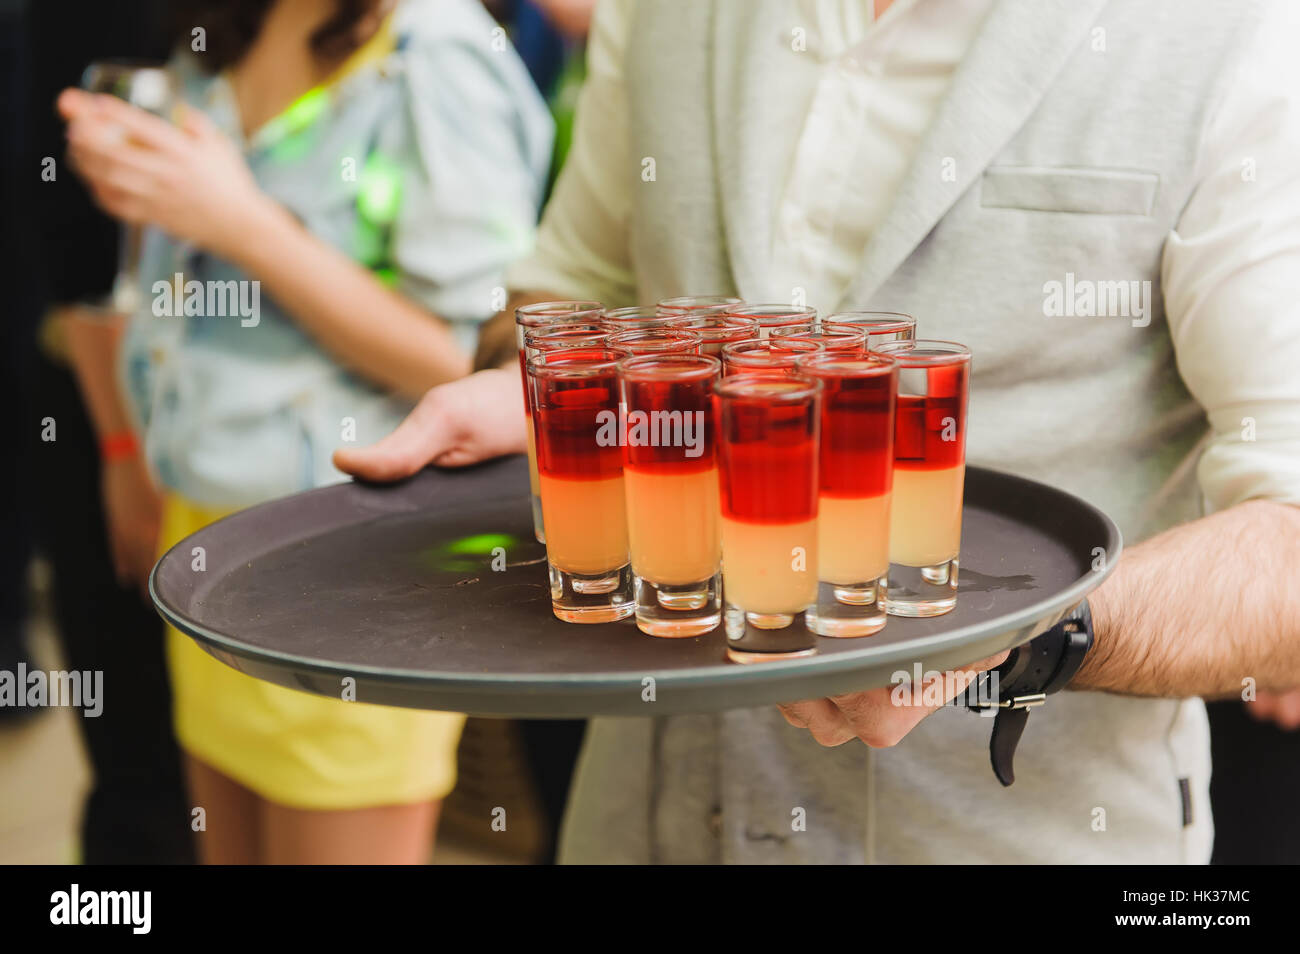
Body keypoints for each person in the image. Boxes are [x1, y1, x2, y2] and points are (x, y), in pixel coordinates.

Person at [338, 0, 1300, 864]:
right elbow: (573, 287)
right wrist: (525, 389)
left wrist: (1026, 637)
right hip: (640, 819)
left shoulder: (1231, 29)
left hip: (1009, 835)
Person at [61, 0, 552, 863]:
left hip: (346, 568)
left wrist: (243, 224)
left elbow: (463, 359)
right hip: (207, 539)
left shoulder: (437, 52)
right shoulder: (222, 26)